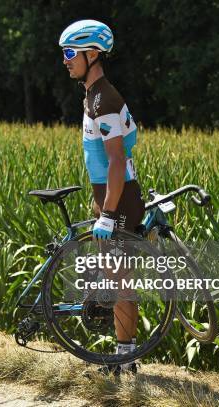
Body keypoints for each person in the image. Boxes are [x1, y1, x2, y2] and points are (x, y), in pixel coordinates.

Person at [59, 20, 145, 374]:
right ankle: (124, 354)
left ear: (92, 54)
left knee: (120, 279)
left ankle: (127, 359)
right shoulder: (93, 95)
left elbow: (114, 161)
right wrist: (101, 205)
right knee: (113, 276)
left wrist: (109, 212)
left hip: (120, 200)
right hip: (110, 195)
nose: (65, 61)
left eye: (69, 53)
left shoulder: (104, 98)